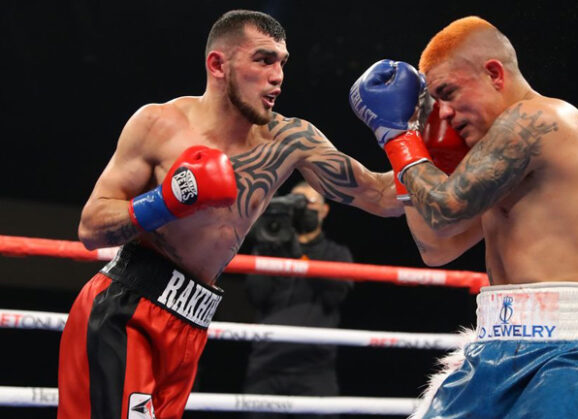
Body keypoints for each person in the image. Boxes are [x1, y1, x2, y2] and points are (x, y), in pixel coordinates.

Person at [58, 9, 404, 419]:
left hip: (188, 325)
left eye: (282, 62)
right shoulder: (159, 124)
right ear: (218, 64)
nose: (278, 76)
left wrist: (410, 139)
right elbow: (91, 226)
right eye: (263, 59)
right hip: (125, 311)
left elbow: (382, 197)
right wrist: (168, 200)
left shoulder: (289, 140)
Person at [350, 16, 578, 419]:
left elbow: (446, 206)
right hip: (491, 345)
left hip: (564, 353)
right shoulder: (491, 157)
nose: (445, 114)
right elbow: (437, 245)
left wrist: (398, 136)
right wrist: (412, 142)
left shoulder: (542, 119)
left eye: (448, 93)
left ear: (493, 73)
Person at [243, 181, 353, 419]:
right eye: (296, 204)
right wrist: (273, 250)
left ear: (324, 211)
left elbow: (334, 294)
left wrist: (298, 257)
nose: (302, 210)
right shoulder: (270, 249)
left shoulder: (336, 254)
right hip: (266, 365)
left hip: (315, 368)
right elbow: (255, 295)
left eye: (308, 203)